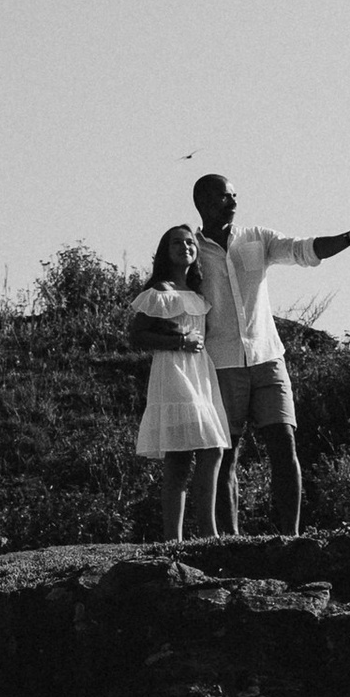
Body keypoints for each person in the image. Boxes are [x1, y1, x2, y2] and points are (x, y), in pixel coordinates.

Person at [191, 172, 350, 537]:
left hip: (268, 357)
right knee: (226, 455)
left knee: (284, 443)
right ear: (204, 202)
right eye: (226, 196)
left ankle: (289, 538)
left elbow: (303, 250)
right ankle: (229, 541)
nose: (234, 202)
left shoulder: (257, 237)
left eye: (234, 195)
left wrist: (347, 239)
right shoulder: (192, 249)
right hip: (222, 364)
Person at [126, 221, 228, 541]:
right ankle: (176, 540)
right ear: (165, 253)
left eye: (189, 243)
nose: (185, 247)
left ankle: (206, 534)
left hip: (200, 372)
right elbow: (137, 335)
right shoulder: (159, 293)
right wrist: (178, 342)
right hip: (173, 370)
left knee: (212, 449)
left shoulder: (197, 294)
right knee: (182, 456)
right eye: (176, 244)